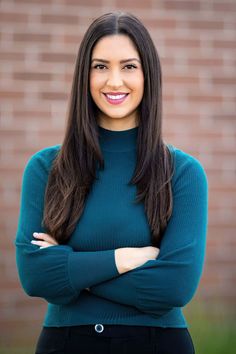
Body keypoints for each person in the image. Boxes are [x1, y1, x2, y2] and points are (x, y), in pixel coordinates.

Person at [15, 11, 208, 354]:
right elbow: (34, 275)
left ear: (148, 75)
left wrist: (71, 270)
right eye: (100, 66)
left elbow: (174, 287)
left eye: (129, 66)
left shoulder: (182, 173)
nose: (114, 81)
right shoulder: (46, 169)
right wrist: (126, 259)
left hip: (157, 343)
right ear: (84, 76)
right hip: (66, 343)